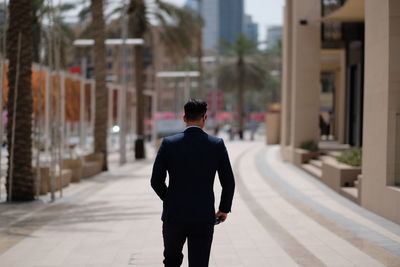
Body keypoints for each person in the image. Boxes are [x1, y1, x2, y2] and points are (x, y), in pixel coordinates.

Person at [151, 99, 235, 267]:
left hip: (174, 215)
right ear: (204, 118)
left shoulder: (169, 144)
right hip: (203, 215)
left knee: (171, 261)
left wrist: (170, 199)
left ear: (184, 118)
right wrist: (224, 208)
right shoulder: (216, 145)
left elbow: (155, 181)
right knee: (199, 262)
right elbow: (228, 181)